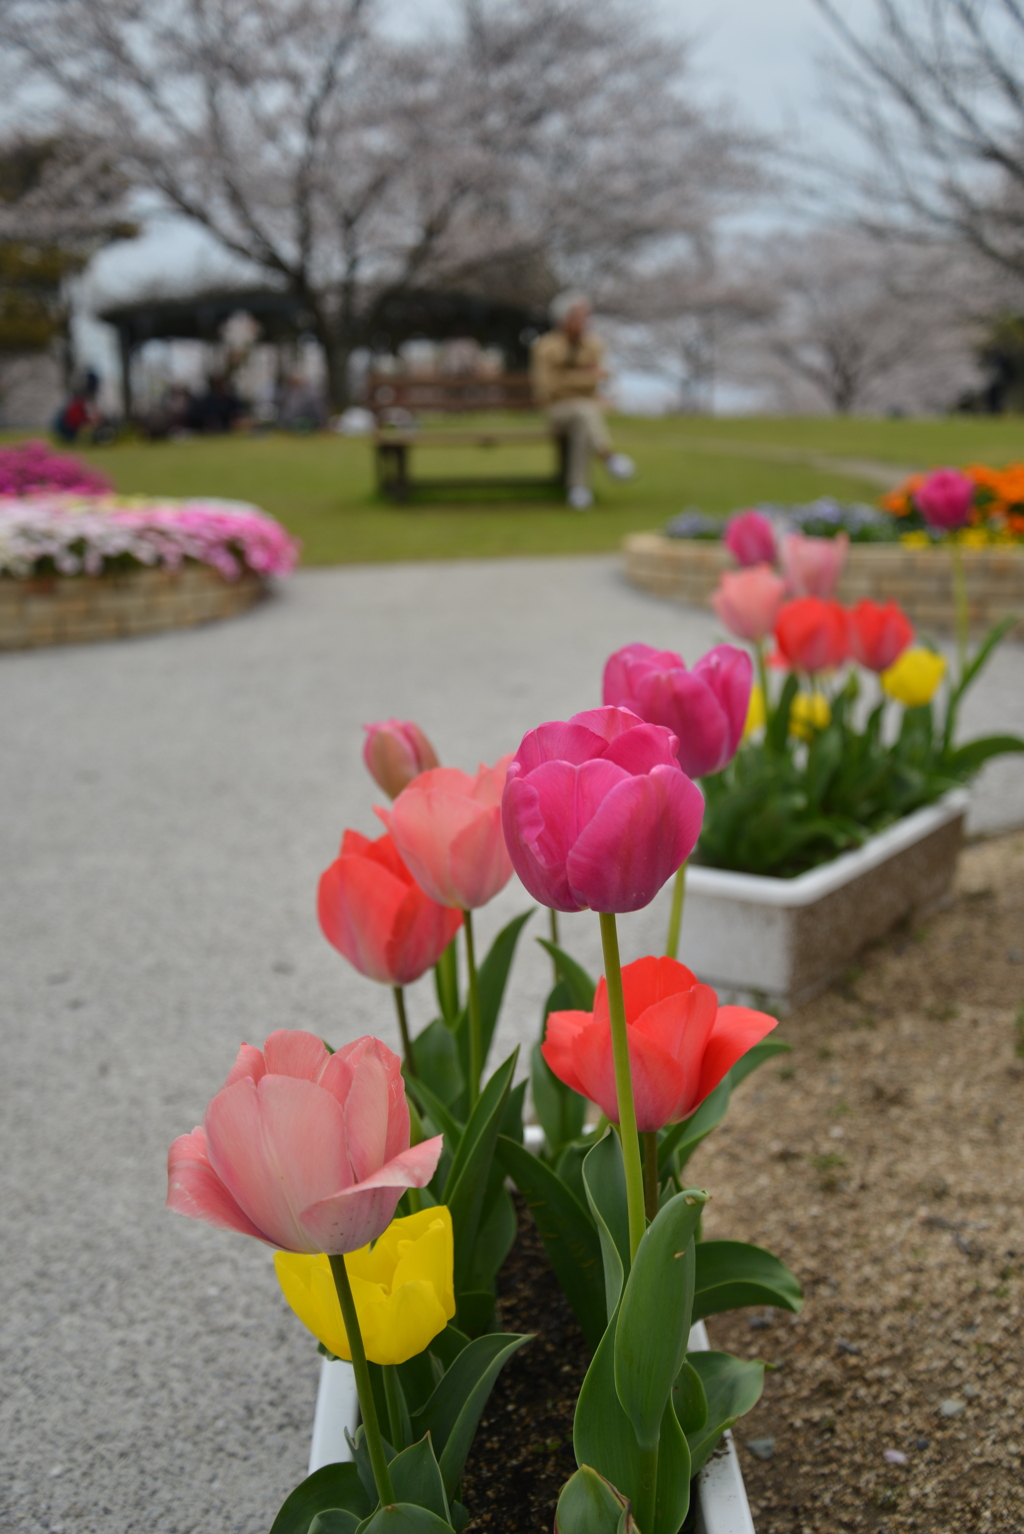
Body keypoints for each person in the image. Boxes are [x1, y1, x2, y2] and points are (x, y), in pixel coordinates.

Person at [530, 291, 635, 509]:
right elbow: (548, 387)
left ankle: (579, 490)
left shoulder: (593, 345)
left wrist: (569, 379)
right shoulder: (546, 346)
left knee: (582, 420)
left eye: (586, 316)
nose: (584, 321)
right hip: (556, 412)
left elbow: (603, 376)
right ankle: (608, 457)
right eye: (579, 316)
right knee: (584, 410)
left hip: (585, 412)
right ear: (563, 319)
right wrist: (586, 379)